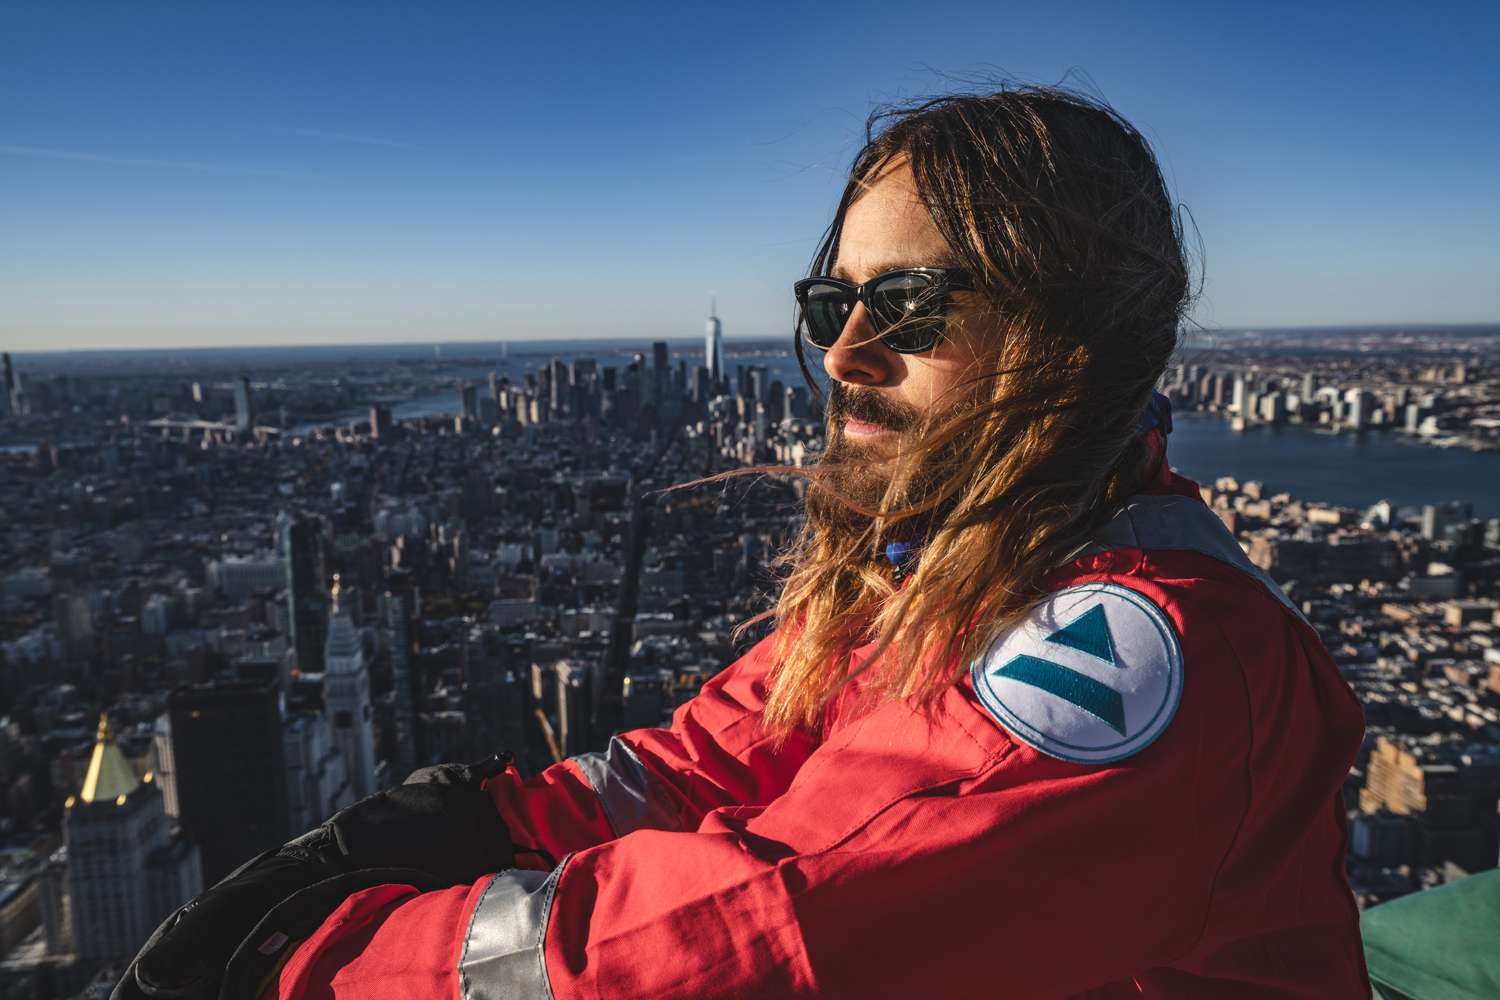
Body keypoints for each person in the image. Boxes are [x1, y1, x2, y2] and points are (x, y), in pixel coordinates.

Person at [119, 86, 1371, 1000]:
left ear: (1071, 333)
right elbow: (731, 748)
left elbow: (774, 925)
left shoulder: (1154, 655)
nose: (842, 352)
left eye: (911, 305)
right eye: (833, 303)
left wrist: (324, 968)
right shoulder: (945, 568)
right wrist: (491, 816)